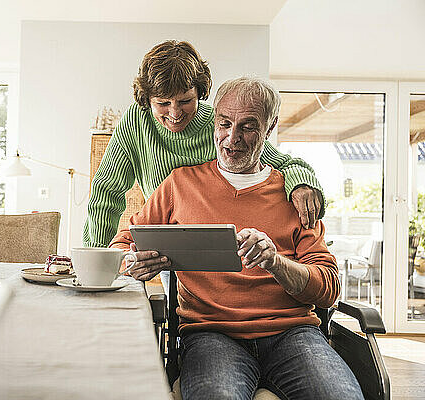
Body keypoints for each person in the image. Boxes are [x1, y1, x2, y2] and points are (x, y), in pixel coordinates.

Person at [109, 77, 364, 400]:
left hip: (294, 335)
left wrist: (275, 262)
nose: (232, 138)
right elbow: (122, 245)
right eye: (225, 123)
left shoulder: (295, 195)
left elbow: (328, 290)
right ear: (213, 122)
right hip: (211, 335)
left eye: (248, 127)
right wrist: (132, 263)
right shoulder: (180, 185)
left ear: (269, 129)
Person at [83, 40, 324, 252]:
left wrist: (302, 183)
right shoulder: (137, 120)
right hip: (168, 240)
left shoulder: (221, 125)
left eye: (185, 101)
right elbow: (107, 192)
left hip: (221, 240)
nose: (175, 113)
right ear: (147, 100)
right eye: (163, 103)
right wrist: (95, 259)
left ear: (200, 92)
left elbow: (285, 164)